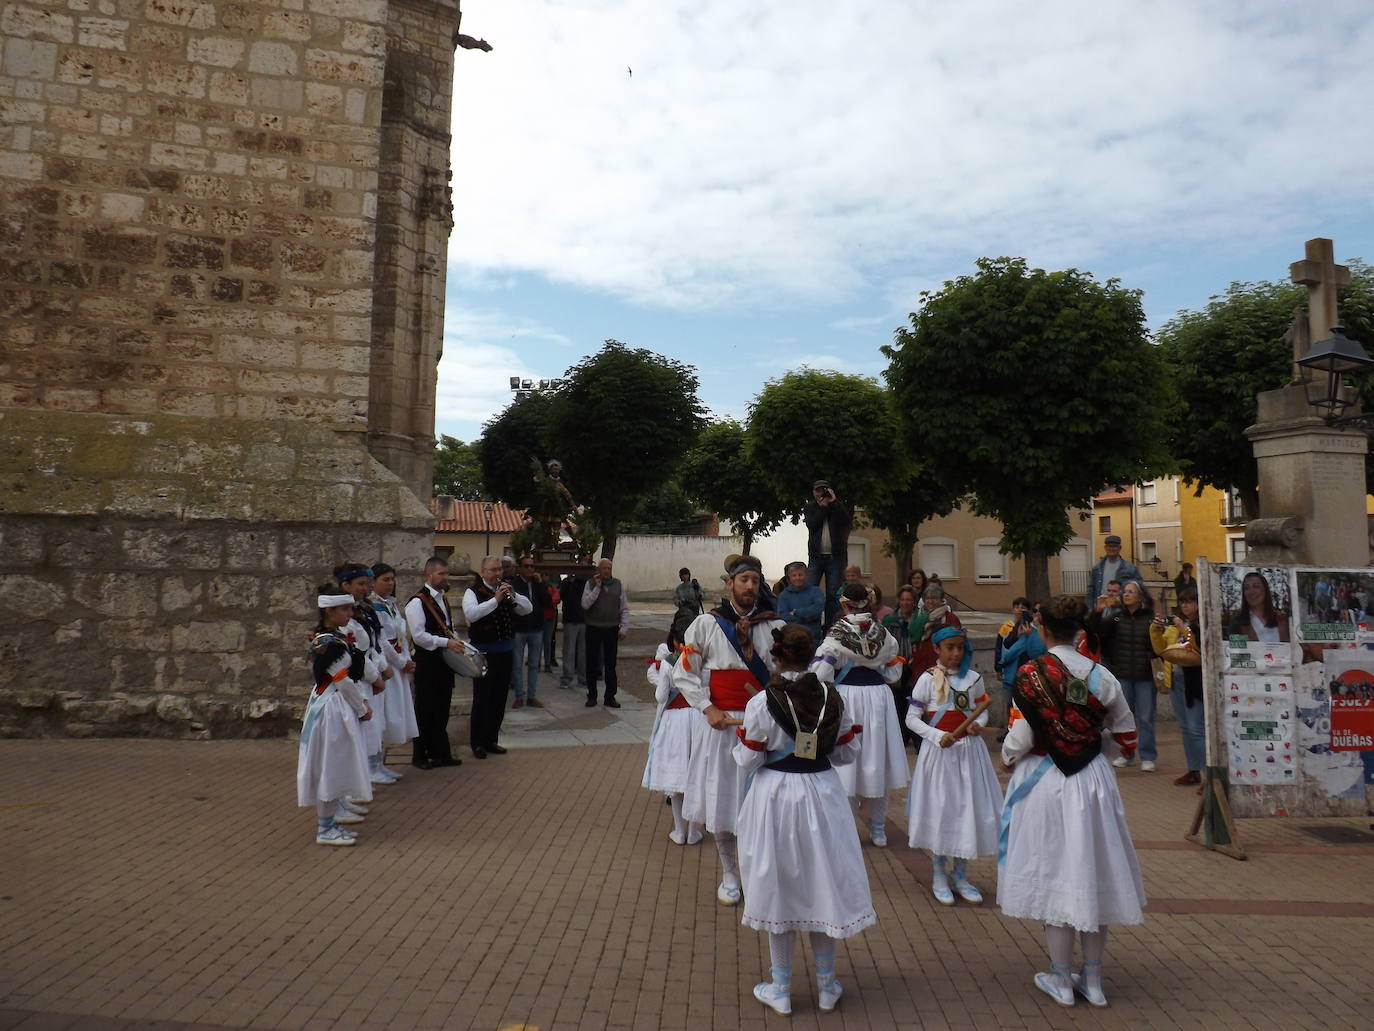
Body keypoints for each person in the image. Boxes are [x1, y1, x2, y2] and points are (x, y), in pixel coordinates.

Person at [999, 595, 1145, 1008]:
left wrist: (1009, 758)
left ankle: (1062, 979)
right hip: (1093, 781)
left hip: (1045, 781)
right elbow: (1128, 738)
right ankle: (1094, 982)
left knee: (1054, 873)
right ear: (1079, 630)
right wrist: (1102, 754)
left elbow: (1021, 738)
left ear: (1042, 628)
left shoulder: (1029, 675)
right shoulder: (1103, 676)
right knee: (1092, 872)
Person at [734, 624, 873, 1016]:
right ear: (810, 654)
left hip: (776, 795)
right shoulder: (832, 696)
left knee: (779, 882)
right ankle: (827, 985)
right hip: (822, 793)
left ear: (777, 657)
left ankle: (780, 987)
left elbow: (748, 759)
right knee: (821, 881)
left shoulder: (762, 701)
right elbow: (846, 755)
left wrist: (746, 743)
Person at [673, 554, 784, 906]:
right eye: (744, 580)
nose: (750, 586)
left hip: (764, 724)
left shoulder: (774, 626)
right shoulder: (706, 625)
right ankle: (730, 873)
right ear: (730, 584)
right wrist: (708, 708)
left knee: (763, 801)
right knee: (723, 800)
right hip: (722, 726)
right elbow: (684, 673)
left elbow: (785, 674)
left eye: (755, 580)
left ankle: (757, 873)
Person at [905, 626, 1000, 904]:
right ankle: (938, 873)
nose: (956, 653)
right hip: (940, 755)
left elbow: (981, 712)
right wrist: (936, 736)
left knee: (965, 810)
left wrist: (976, 725)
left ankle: (961, 874)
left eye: (960, 647)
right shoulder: (926, 680)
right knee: (942, 810)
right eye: (950, 648)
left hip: (969, 754)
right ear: (937, 650)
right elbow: (912, 718)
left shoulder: (973, 678)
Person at [812, 582, 908, 847]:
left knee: (847, 763)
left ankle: (849, 828)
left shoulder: (837, 632)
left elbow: (821, 673)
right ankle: (879, 829)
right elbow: (892, 673)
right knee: (878, 759)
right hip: (878, 697)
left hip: (848, 697)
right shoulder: (884, 632)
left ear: (844, 604)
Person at [298, 585, 373, 846]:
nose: (350, 613)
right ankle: (325, 828)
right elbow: (344, 682)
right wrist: (362, 708)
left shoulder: (327, 638)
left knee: (333, 762)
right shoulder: (332, 645)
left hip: (328, 704)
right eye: (344, 609)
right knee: (331, 764)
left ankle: (331, 819)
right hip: (334, 708)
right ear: (329, 611)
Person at [642, 607, 704, 845]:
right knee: (696, 774)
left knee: (676, 778)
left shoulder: (667, 663)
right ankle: (695, 830)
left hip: (674, 721)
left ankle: (679, 831)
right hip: (698, 718)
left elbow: (660, 697)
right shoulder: (701, 659)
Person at [463, 554, 532, 758]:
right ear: (483, 572)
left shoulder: (507, 589)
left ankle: (491, 739)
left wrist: (514, 596)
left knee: (499, 698)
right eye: (493, 570)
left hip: (505, 652)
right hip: (483, 653)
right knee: (482, 699)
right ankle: (477, 743)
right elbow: (472, 614)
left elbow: (527, 609)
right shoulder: (472, 591)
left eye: (499, 569)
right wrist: (496, 600)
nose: (497, 574)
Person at [1087, 579, 1158, 771]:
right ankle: (1126, 753)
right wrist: (1099, 611)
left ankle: (1148, 756)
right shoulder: (1118, 617)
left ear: (1140, 596)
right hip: (1123, 674)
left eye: (1131, 592)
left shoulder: (1151, 618)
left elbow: (1157, 646)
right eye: (1124, 592)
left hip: (1145, 675)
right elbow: (1097, 632)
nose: (1126, 594)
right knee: (1124, 717)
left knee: (1145, 718)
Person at [405, 556, 469, 769]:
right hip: (426, 662)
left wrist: (457, 641)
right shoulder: (417, 602)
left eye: (446, 573)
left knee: (442, 707)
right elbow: (419, 635)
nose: (445, 577)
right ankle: (420, 755)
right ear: (428, 575)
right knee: (424, 709)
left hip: (442, 663)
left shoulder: (443, 598)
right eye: (441, 573)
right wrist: (446, 642)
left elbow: (447, 627)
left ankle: (440, 752)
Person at [336, 563, 394, 786]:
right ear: (345, 585)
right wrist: (375, 674)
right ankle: (361, 775)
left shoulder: (365, 610)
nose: (365, 588)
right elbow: (358, 654)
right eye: (360, 584)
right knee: (362, 729)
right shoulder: (346, 619)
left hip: (370, 674)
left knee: (375, 725)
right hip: (358, 679)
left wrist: (382, 666)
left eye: (367, 584)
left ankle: (375, 765)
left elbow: (375, 644)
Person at [369, 563, 418, 777]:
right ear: (373, 582)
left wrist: (407, 659)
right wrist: (399, 661)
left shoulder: (391, 605)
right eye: (385, 580)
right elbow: (382, 641)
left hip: (399, 666)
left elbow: (401, 636)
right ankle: (371, 765)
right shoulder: (373, 607)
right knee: (381, 715)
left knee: (392, 715)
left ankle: (379, 763)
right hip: (386, 667)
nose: (390, 584)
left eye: (392, 579)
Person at [1151, 587, 1204, 786]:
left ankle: (1209, 776)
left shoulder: (1200, 624)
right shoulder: (1174, 626)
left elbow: (1199, 649)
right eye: (1182, 602)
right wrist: (1156, 630)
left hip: (1194, 683)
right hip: (1176, 680)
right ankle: (1193, 770)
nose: (1185, 605)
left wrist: (1185, 629)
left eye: (1189, 601)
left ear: (1198, 603)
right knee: (1185, 727)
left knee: (1195, 728)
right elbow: (1160, 649)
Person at [582, 558, 630, 708]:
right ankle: (592, 696)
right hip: (593, 627)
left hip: (611, 628)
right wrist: (597, 587)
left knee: (610, 663)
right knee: (592, 663)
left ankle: (610, 696)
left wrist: (624, 628)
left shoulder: (617, 584)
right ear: (598, 569)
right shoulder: (590, 584)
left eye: (609, 568)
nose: (606, 571)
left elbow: (624, 608)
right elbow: (585, 604)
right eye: (604, 568)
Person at [997, 599, 1046, 740]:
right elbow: (1005, 649)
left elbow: (1035, 653)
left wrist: (1025, 638)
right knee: (1011, 706)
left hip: (1028, 677)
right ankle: (1010, 730)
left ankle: (1019, 733)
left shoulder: (1037, 633)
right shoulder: (1014, 628)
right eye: (1035, 611)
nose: (1020, 611)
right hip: (1013, 676)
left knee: (1022, 708)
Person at [804, 480, 851, 625]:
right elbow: (812, 525)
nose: (820, 493)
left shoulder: (837, 506)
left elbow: (845, 521)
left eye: (823, 490)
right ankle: (813, 623)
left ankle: (831, 625)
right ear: (813, 492)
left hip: (835, 557)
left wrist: (834, 502)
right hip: (816, 557)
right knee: (811, 590)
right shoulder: (810, 507)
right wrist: (823, 508)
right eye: (817, 491)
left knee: (833, 593)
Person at [510, 555, 550, 709]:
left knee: (534, 664)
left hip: (536, 629)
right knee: (517, 664)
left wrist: (540, 584)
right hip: (519, 629)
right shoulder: (514, 584)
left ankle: (532, 696)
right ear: (520, 567)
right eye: (526, 566)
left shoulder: (538, 583)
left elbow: (547, 602)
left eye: (532, 566)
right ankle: (519, 696)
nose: (529, 569)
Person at [882, 586, 920, 747]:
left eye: (909, 600)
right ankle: (901, 738)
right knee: (898, 705)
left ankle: (917, 738)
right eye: (903, 599)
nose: (905, 603)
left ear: (914, 602)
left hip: (914, 667)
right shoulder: (890, 620)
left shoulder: (919, 620)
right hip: (896, 667)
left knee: (915, 703)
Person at [910, 584, 961, 675]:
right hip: (920, 665)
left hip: (943, 666)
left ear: (941, 600)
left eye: (934, 598)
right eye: (927, 598)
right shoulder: (917, 617)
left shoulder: (950, 618)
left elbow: (958, 642)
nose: (930, 601)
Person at [1226, 571, 1291, 642]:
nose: (1251, 591)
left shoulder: (1281, 621)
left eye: (1256, 586)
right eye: (1247, 588)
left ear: (1265, 590)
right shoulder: (1237, 624)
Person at [1085, 535, 1141, 608]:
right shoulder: (1097, 567)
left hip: (1122, 608)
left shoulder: (1130, 568)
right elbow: (1091, 589)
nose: (1112, 548)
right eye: (1109, 546)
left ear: (1119, 548)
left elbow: (1138, 587)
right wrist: (1089, 608)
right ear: (1105, 548)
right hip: (1101, 608)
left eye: (1114, 546)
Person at [776, 560, 825, 644]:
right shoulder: (783, 595)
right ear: (789, 578)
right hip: (791, 641)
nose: (797, 578)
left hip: (813, 640)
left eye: (800, 575)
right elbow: (783, 617)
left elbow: (817, 611)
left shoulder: (816, 591)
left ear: (806, 576)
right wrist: (808, 617)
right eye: (794, 575)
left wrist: (796, 612)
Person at [558, 568, 589, 693]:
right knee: (569, 651)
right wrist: (570, 581)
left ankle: (582, 677)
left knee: (583, 651)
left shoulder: (587, 583)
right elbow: (562, 596)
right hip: (571, 619)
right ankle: (567, 677)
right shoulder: (567, 582)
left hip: (583, 619)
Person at [542, 578, 560, 672]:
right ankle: (544, 663)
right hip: (543, 616)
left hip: (549, 617)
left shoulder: (551, 587)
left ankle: (547, 663)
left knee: (547, 641)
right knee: (542, 641)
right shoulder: (549, 588)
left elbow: (556, 598)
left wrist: (547, 602)